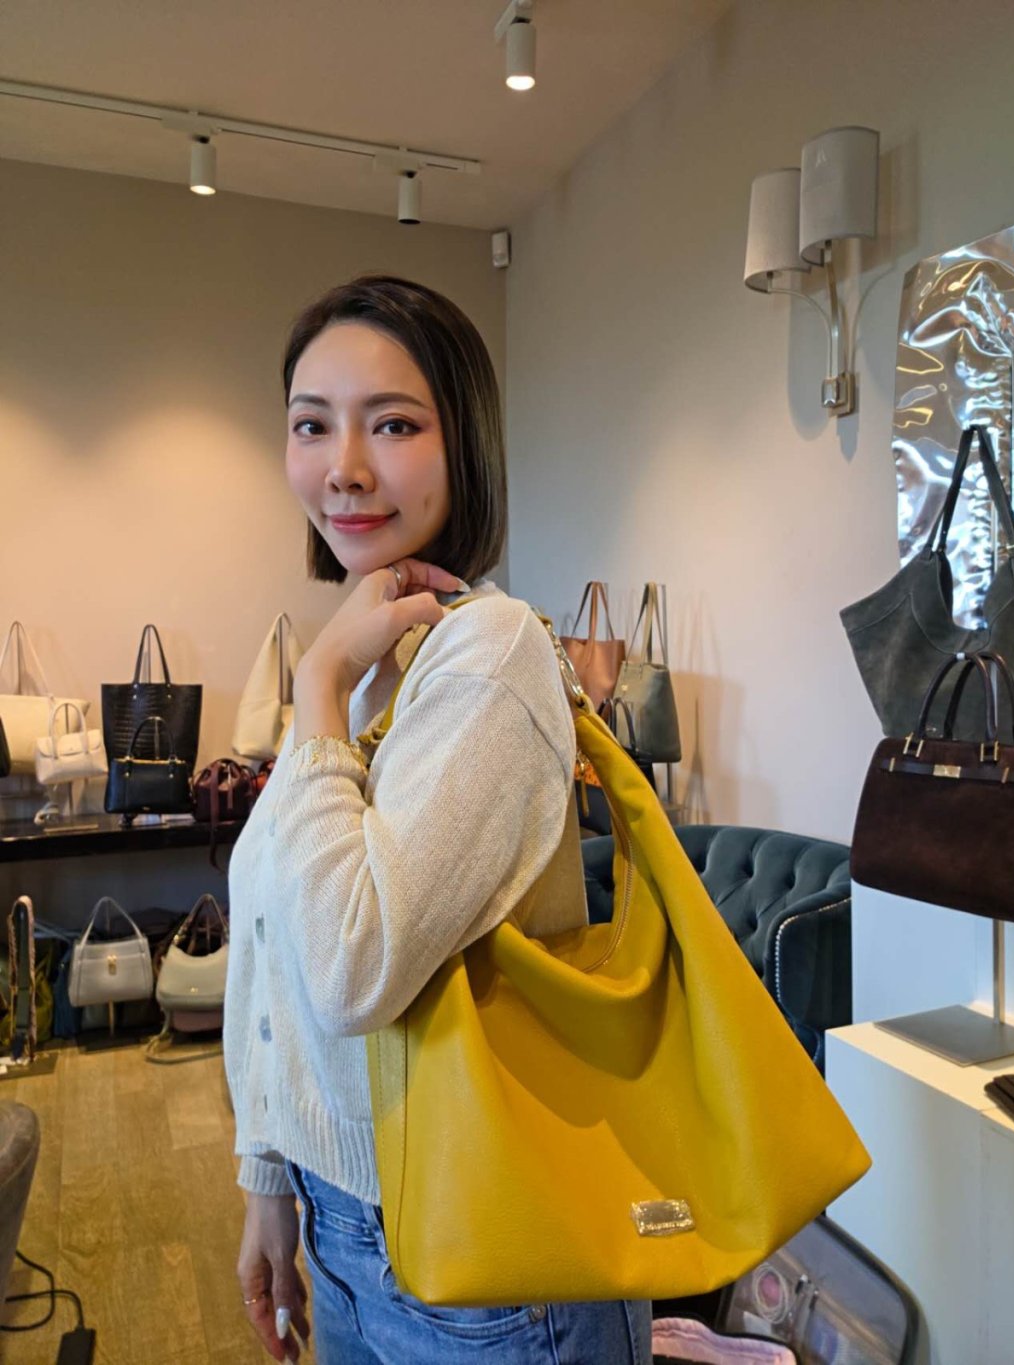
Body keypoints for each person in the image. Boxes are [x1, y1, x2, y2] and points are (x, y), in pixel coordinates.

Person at [223, 274, 653, 1365]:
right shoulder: (373, 663)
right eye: (311, 424)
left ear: (465, 443)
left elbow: (352, 968)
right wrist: (270, 1178)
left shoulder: (488, 650)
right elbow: (276, 938)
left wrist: (314, 685)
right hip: (345, 1223)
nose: (343, 466)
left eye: (393, 424)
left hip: (488, 1253)